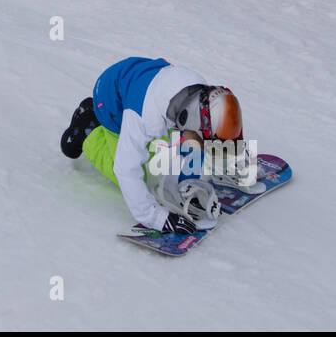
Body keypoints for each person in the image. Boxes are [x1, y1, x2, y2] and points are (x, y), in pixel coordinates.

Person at [59, 57, 250, 235]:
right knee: (134, 173)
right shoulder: (143, 118)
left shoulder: (201, 92)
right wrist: (157, 218)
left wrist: (229, 155)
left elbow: (207, 126)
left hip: (142, 80)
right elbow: (125, 169)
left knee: (183, 143)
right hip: (110, 101)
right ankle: (88, 129)